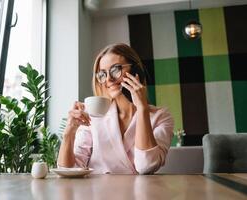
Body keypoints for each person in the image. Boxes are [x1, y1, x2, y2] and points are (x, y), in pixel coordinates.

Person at [57, 43, 174, 174]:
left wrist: (142, 109)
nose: (108, 79)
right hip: (96, 193)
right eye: (102, 74)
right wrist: (68, 134)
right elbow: (69, 170)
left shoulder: (161, 117)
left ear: (136, 71)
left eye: (115, 70)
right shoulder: (93, 116)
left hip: (140, 192)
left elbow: (146, 166)